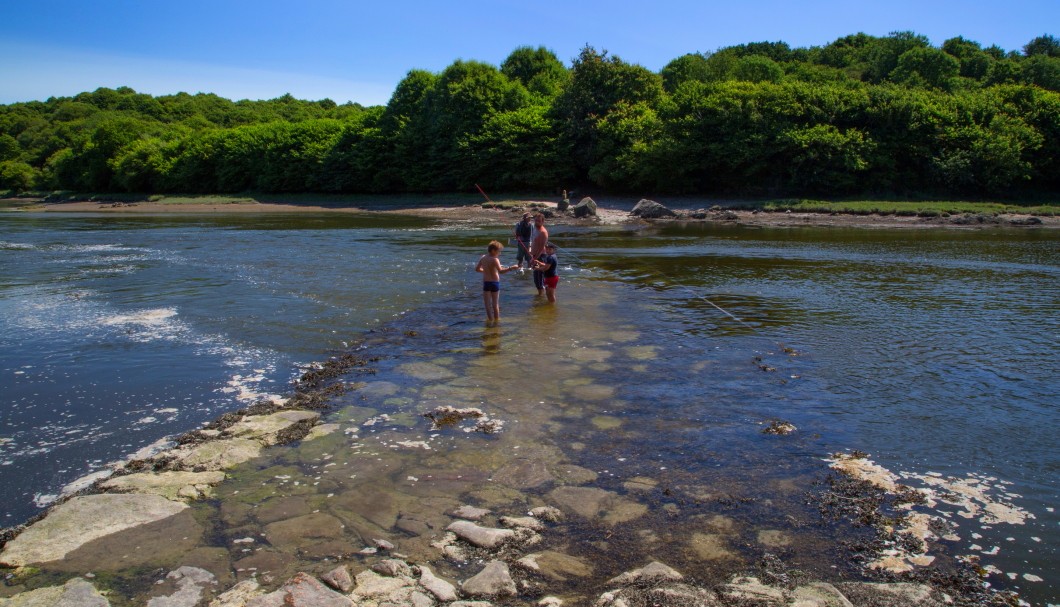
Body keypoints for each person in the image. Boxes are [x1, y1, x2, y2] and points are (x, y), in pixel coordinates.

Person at [475, 240, 519, 323]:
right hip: (495, 283)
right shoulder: (495, 259)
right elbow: (501, 271)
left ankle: (490, 320)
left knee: (487, 305)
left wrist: (486, 271)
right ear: (493, 251)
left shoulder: (483, 257)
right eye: (499, 251)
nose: (500, 253)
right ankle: (496, 322)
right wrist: (511, 268)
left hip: (486, 283)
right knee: (495, 304)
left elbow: (477, 269)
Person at [529, 212, 549, 295]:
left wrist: (534, 259)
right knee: (536, 280)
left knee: (539, 280)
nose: (536, 222)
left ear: (542, 222)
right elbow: (533, 241)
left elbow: (541, 248)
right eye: (535, 220)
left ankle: (541, 297)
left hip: (540, 257)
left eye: (539, 221)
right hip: (534, 255)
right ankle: (540, 296)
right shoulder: (535, 228)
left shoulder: (543, 232)